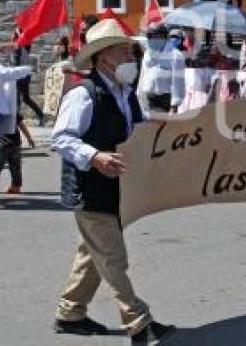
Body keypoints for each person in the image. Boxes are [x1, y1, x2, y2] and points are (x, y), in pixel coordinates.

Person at [51, 19, 176, 342]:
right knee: (113, 257)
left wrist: (156, 127)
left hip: (116, 189)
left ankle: (70, 313)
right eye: (125, 51)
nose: (132, 57)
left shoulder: (125, 93)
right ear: (105, 57)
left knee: (91, 255)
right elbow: (62, 138)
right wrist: (94, 156)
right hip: (90, 190)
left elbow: (133, 128)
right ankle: (139, 322)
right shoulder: (84, 93)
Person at [0, 59, 33, 193]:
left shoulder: (3, 107)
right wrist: (29, 138)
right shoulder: (12, 110)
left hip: (2, 141)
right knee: (15, 166)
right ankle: (16, 185)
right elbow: (21, 124)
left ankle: (16, 186)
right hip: (15, 142)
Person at [138, 23, 185, 114]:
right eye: (151, 36)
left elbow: (178, 82)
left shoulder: (175, 55)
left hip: (164, 100)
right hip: (147, 99)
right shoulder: (148, 54)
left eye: (157, 36)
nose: (154, 39)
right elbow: (143, 75)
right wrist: (139, 95)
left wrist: (174, 106)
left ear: (164, 37)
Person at [12, 29, 46, 126]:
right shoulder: (17, 46)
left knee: (17, 98)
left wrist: (20, 33)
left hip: (22, 75)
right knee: (25, 98)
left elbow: (24, 42)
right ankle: (41, 115)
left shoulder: (23, 46)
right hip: (21, 74)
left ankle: (15, 121)